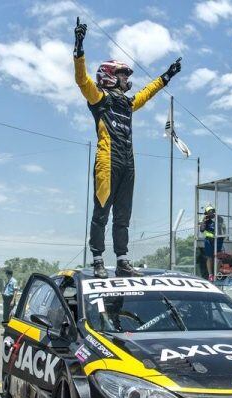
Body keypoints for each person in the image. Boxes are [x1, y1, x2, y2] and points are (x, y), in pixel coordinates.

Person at [74, 17, 182, 279]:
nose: (126, 79)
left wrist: (166, 76)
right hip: (106, 162)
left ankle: (122, 260)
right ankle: (98, 258)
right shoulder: (98, 98)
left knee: (123, 216)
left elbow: (146, 93)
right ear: (111, 76)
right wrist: (79, 46)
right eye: (123, 74)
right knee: (102, 212)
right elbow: (81, 79)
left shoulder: (128, 104)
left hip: (128, 163)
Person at [200, 204, 224, 282]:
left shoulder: (219, 218)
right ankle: (210, 275)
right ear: (207, 213)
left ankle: (216, 274)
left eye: (212, 211)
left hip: (219, 240)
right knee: (209, 257)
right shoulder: (206, 220)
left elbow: (221, 226)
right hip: (209, 240)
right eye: (209, 212)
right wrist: (204, 221)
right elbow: (202, 230)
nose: (211, 213)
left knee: (219, 258)